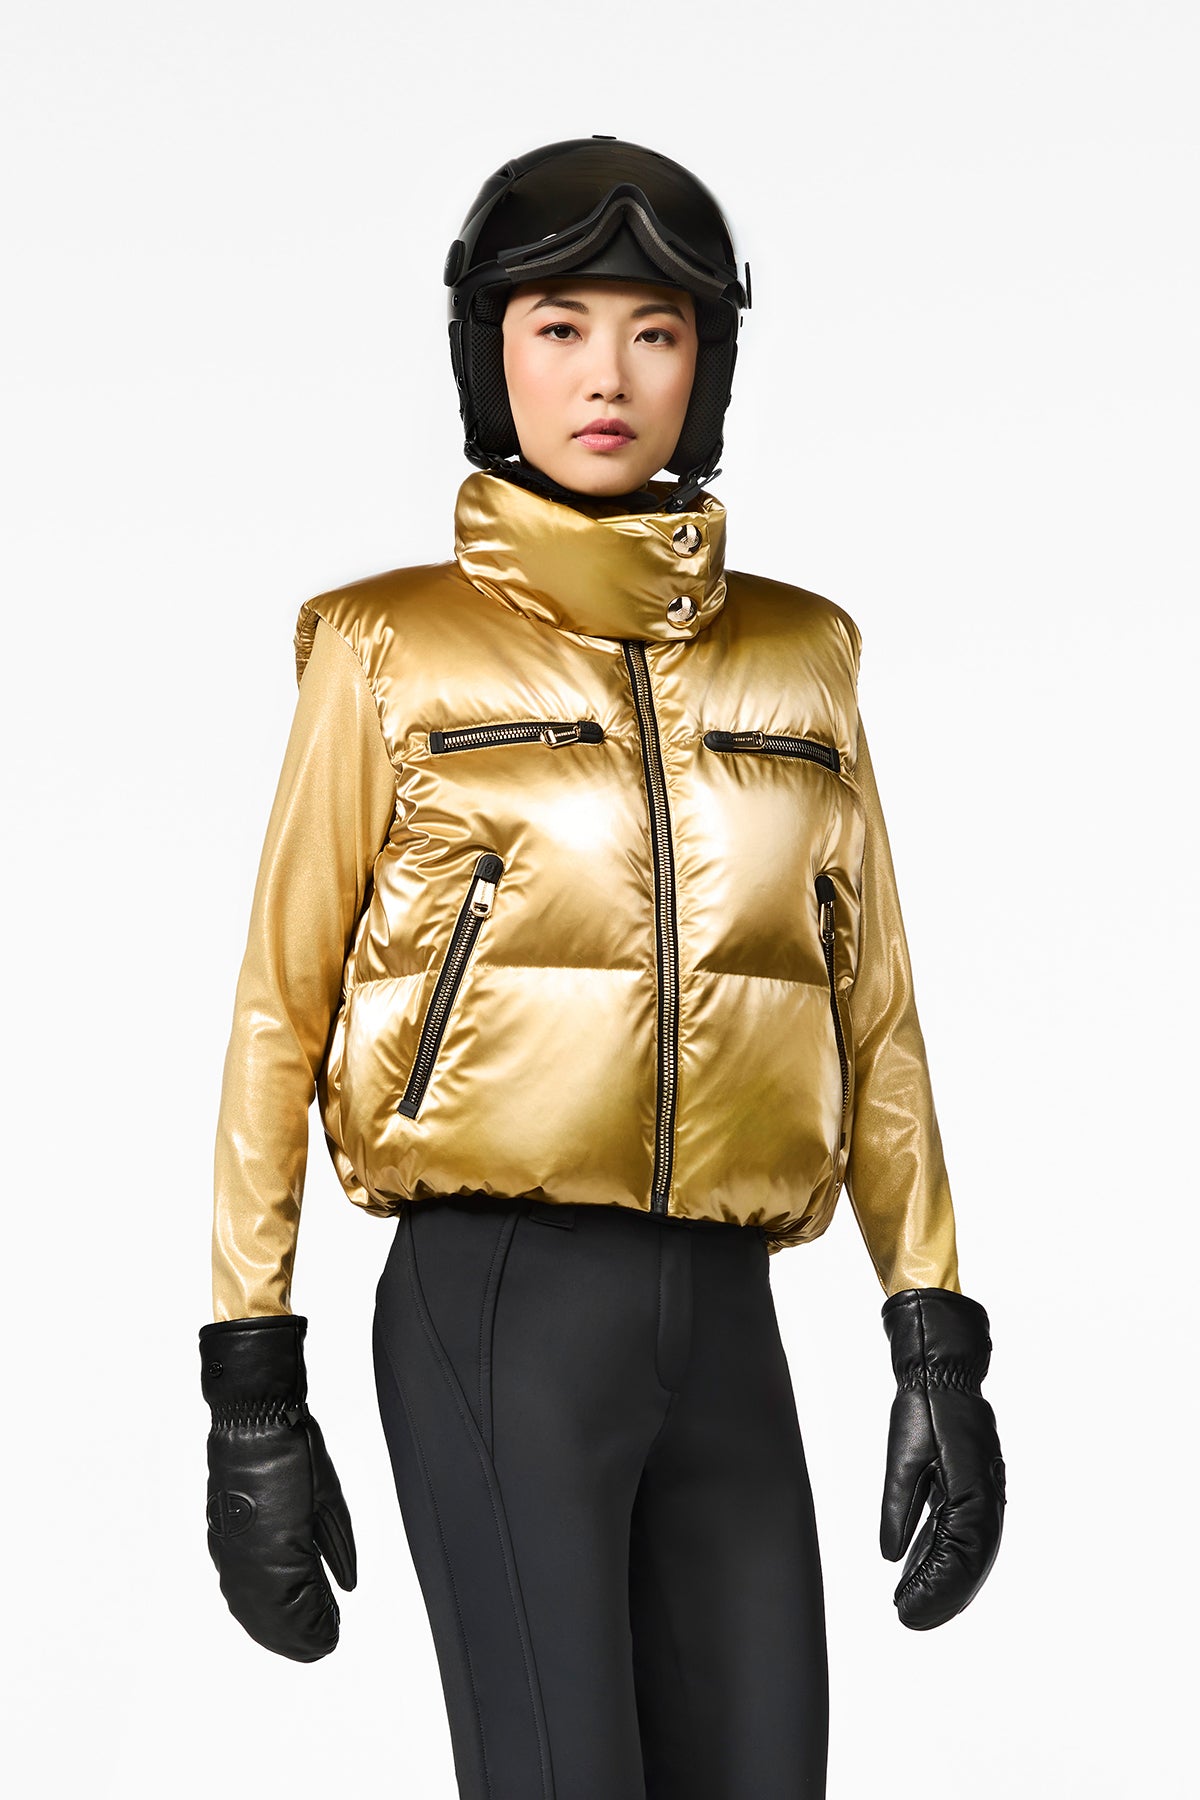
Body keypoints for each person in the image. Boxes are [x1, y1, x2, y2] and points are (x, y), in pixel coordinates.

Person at [198, 137, 1006, 1799]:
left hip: (726, 1317)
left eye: (657, 331)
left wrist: (933, 1332)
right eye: (559, 326)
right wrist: (252, 1378)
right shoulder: (388, 647)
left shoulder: (804, 656)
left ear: (708, 364)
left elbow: (875, 1011)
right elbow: (281, 1008)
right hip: (499, 1305)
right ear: (488, 354)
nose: (608, 376)